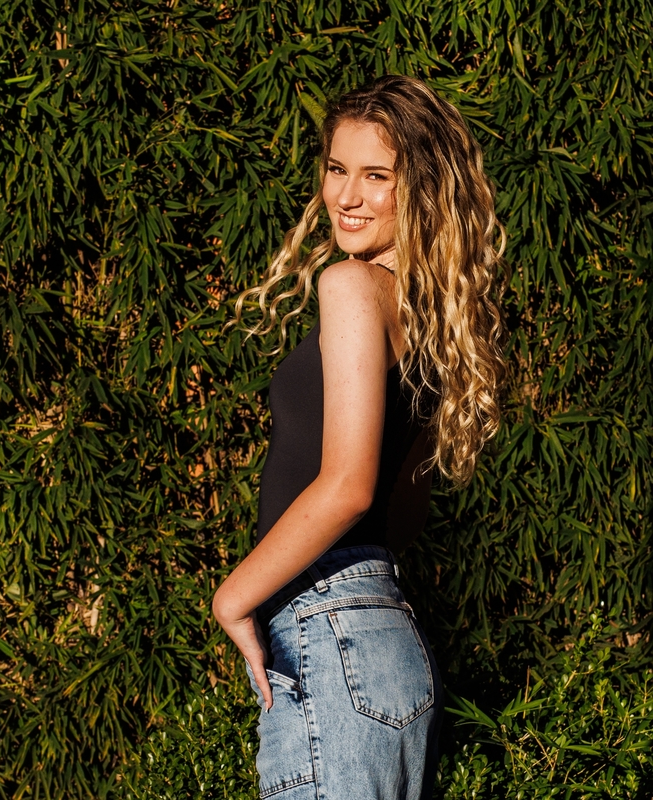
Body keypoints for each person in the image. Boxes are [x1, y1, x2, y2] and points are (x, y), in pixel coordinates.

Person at [212, 75, 507, 799]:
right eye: (337, 168)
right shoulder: (434, 322)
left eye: (378, 176)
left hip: (331, 632)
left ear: (422, 190)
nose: (347, 196)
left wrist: (233, 597)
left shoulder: (351, 287)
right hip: (388, 644)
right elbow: (404, 517)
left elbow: (349, 488)